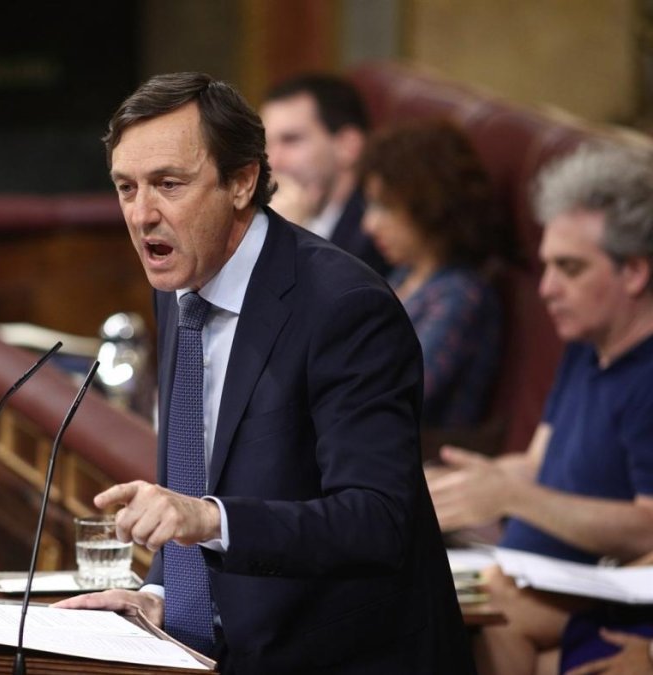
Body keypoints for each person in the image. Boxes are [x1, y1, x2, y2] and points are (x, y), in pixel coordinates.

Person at [54, 72, 473, 673]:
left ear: (243, 180)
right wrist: (162, 597)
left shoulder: (344, 306)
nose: (142, 214)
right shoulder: (179, 285)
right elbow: (196, 468)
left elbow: (376, 520)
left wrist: (209, 518)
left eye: (169, 184)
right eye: (126, 187)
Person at [428, 144, 653, 675]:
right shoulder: (586, 345)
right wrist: (437, 487)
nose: (548, 289)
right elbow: (539, 464)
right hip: (527, 568)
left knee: (486, 605)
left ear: (636, 272)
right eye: (546, 266)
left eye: (569, 269)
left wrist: (512, 496)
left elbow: (649, 528)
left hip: (592, 585)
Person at [358, 120, 507, 428]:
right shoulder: (404, 274)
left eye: (385, 207)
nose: (369, 224)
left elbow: (391, 397)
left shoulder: (461, 295)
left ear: (429, 204)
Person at [261, 73, 391, 276]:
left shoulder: (378, 231)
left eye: (291, 140)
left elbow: (346, 302)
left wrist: (291, 240)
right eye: (266, 144)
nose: (272, 161)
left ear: (348, 146)